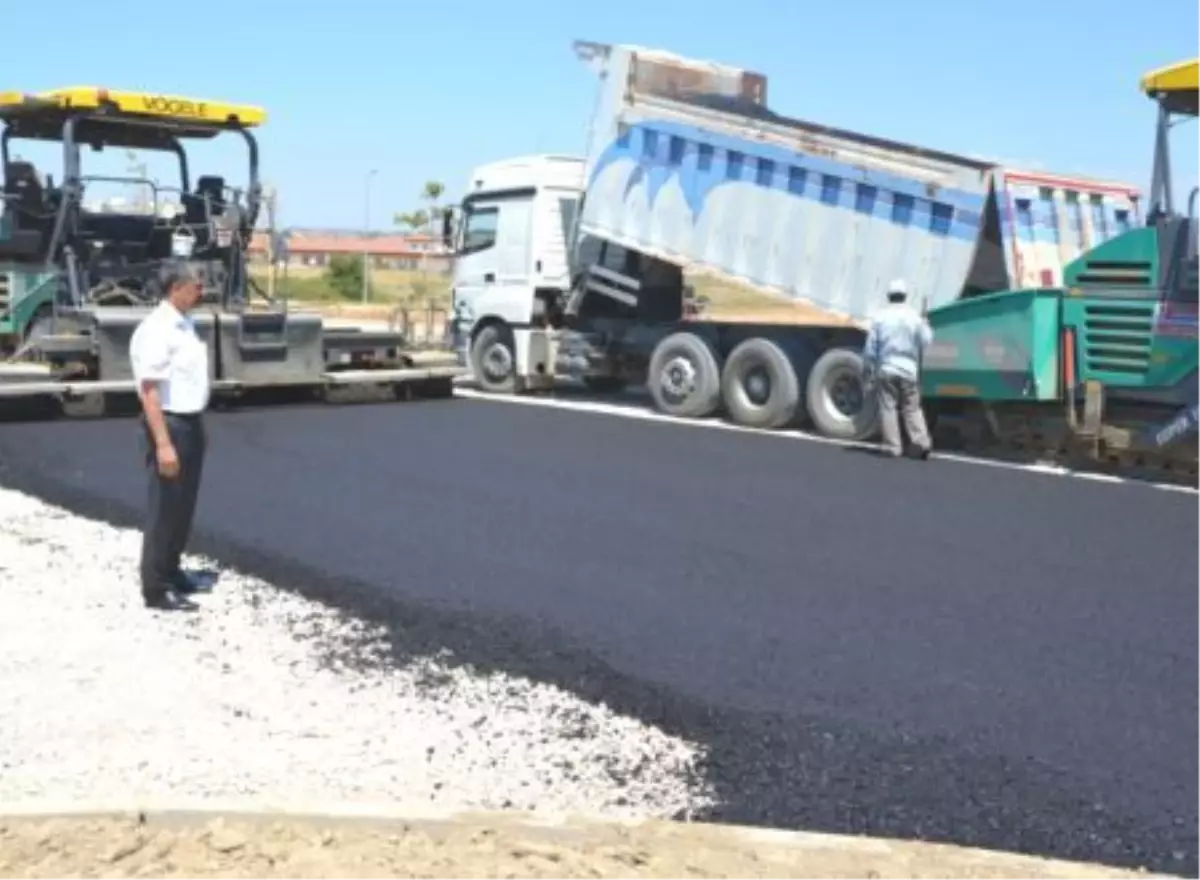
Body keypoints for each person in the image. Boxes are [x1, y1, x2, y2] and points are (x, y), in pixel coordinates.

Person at [129, 261, 211, 611]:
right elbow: (149, 389)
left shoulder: (184, 324)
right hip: (170, 424)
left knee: (183, 506)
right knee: (164, 508)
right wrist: (163, 442)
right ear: (175, 287)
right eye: (195, 285)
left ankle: (173, 569)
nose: (201, 291)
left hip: (191, 422)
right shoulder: (157, 329)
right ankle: (156, 587)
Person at [862, 278, 934, 460]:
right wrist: (925, 323)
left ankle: (893, 447)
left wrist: (868, 368)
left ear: (888, 296)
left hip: (887, 368)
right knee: (912, 408)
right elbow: (927, 341)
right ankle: (921, 442)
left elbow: (871, 348)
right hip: (909, 369)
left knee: (888, 407)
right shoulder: (913, 317)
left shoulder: (880, 317)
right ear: (905, 296)